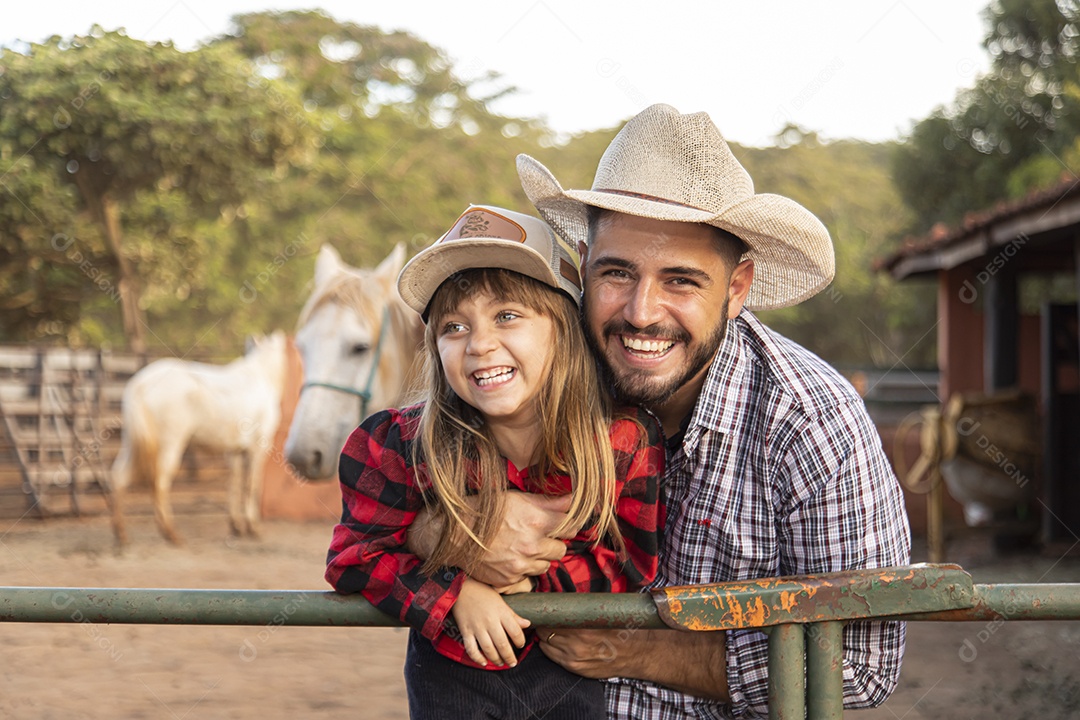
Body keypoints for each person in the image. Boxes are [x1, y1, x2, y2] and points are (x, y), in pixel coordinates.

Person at [416, 104, 912, 718]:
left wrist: (640, 650)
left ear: (736, 287)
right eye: (617, 273)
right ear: (583, 262)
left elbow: (863, 666)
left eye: (681, 281)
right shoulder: (534, 366)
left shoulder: (812, 424)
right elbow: (397, 480)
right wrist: (447, 531)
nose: (642, 313)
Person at [324, 204, 665, 719]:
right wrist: (458, 594)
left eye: (507, 316)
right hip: (449, 676)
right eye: (454, 327)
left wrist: (521, 587)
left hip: (569, 672)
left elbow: (631, 564)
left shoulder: (621, 440)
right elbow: (354, 557)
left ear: (563, 329)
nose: (480, 345)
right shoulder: (399, 445)